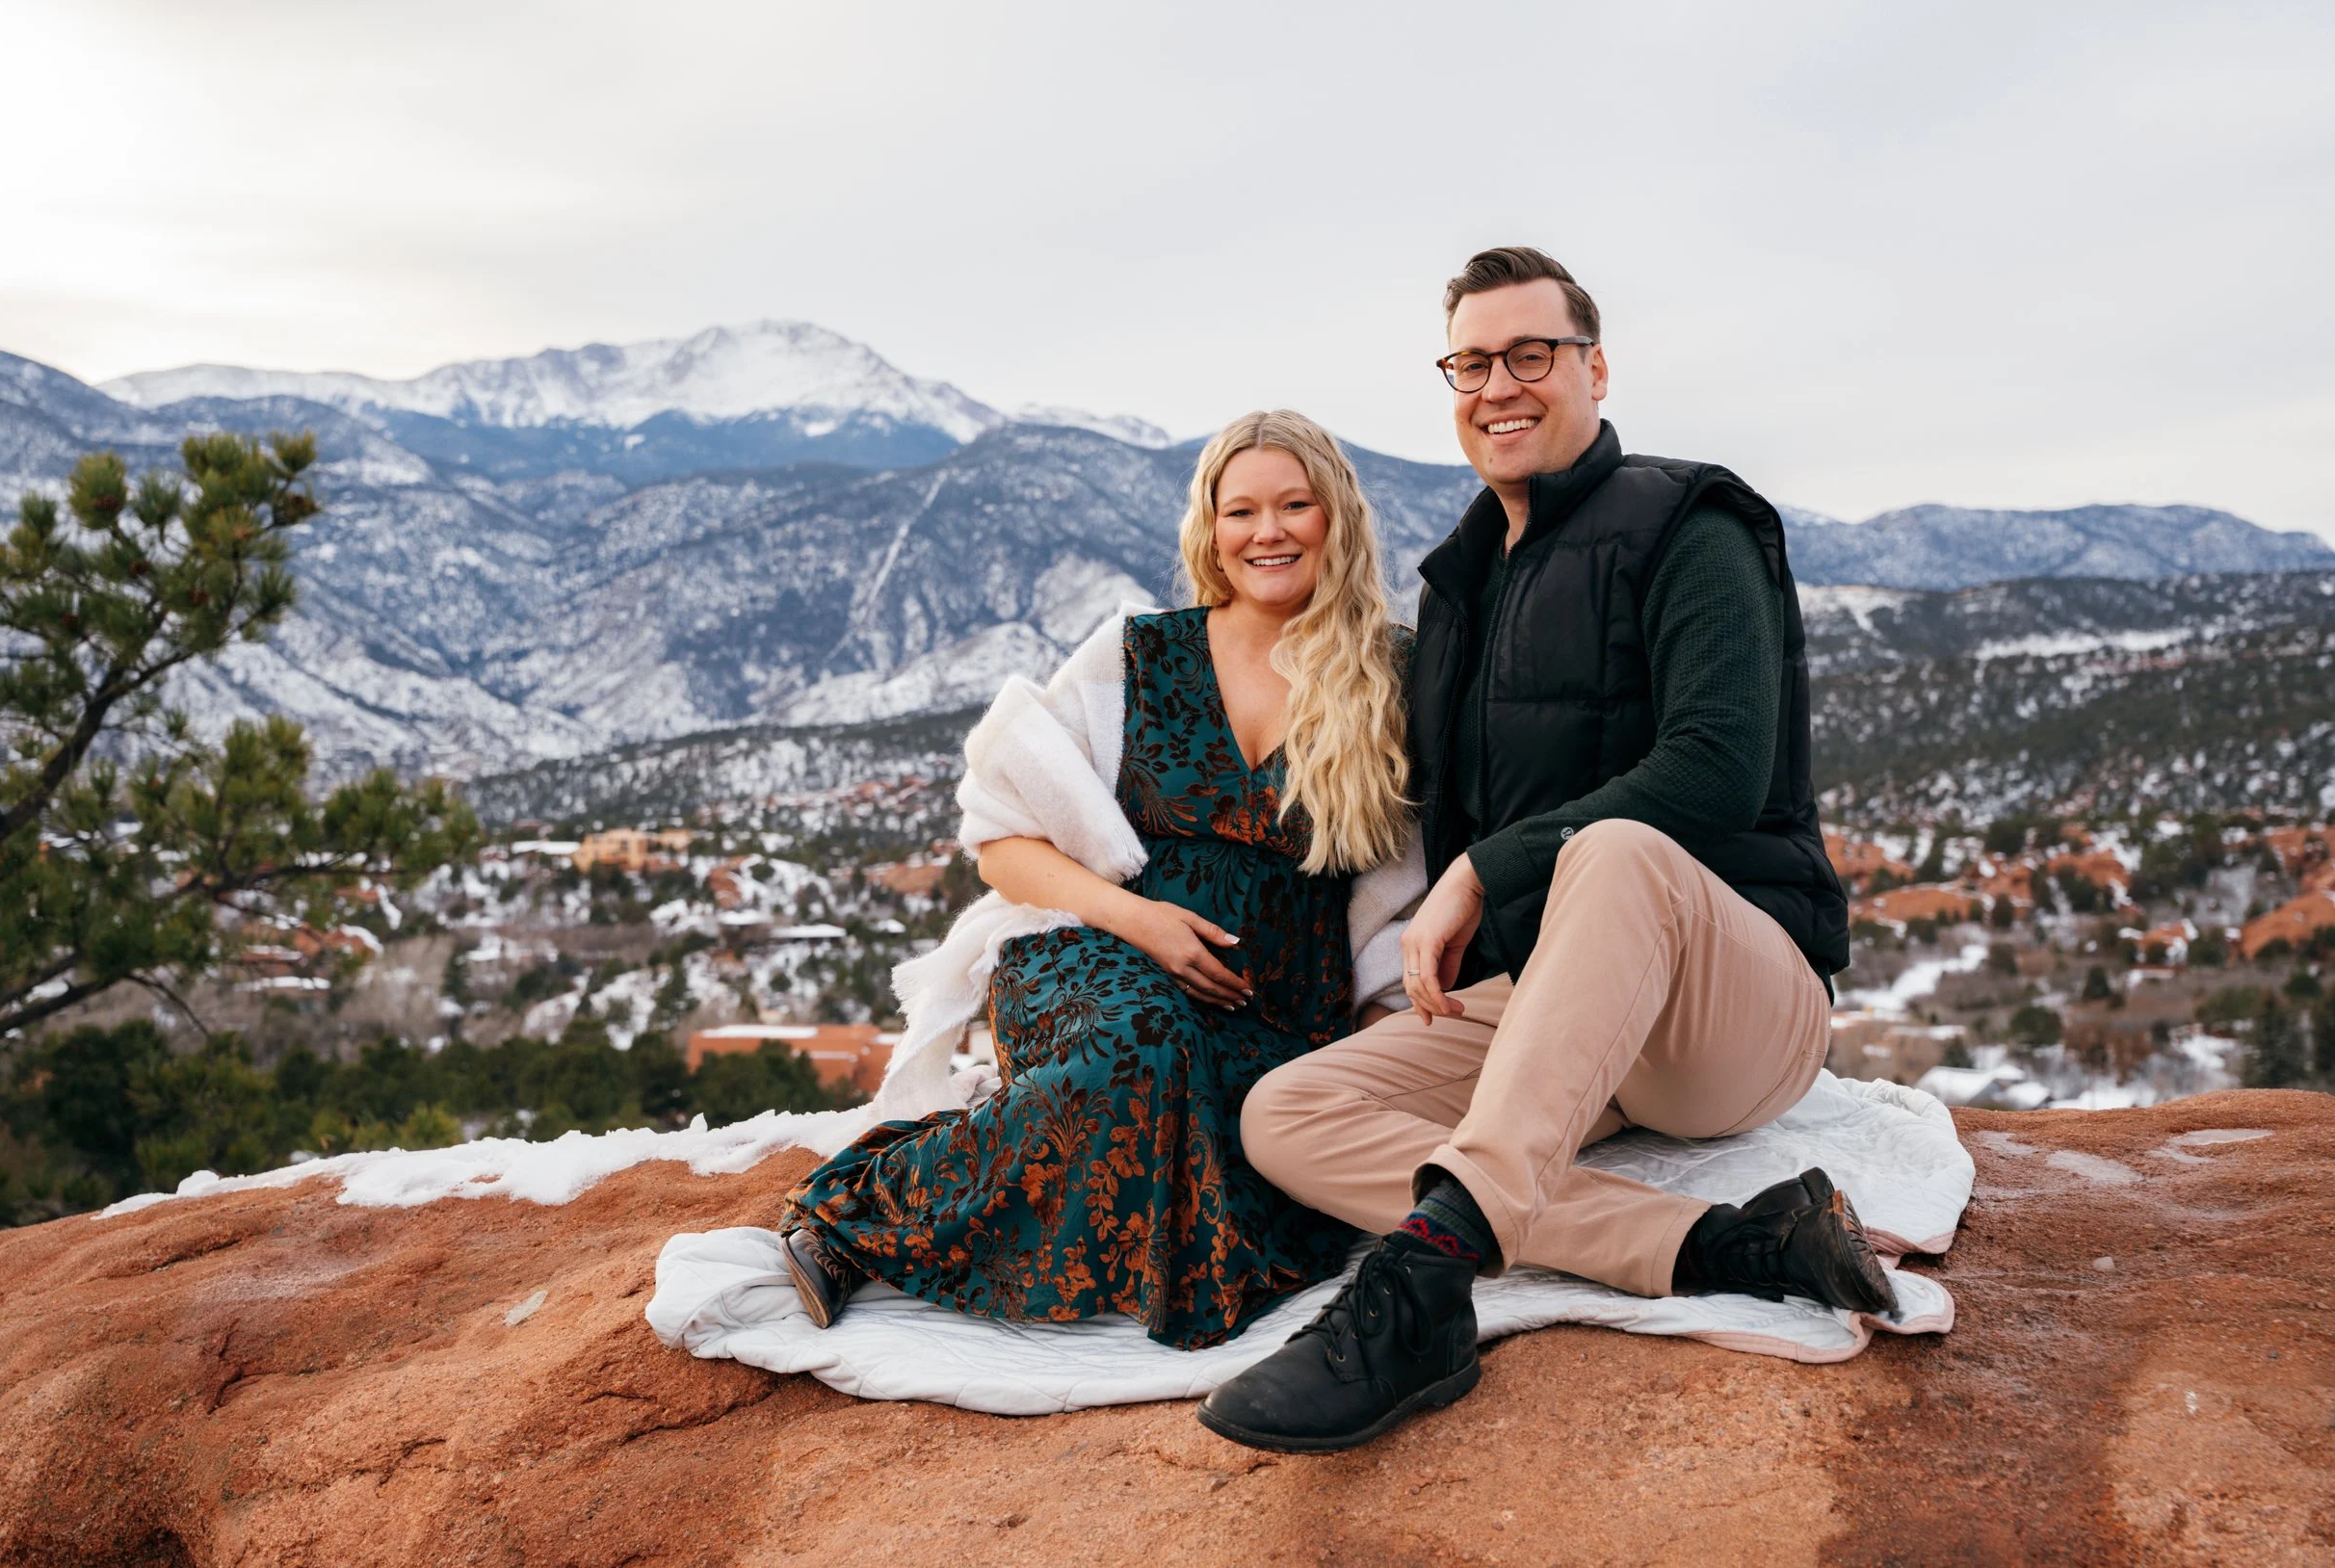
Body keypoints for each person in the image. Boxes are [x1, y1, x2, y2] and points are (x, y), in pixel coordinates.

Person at [1197, 248, 1892, 1452]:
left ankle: (1423, 1283)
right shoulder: (1459, 587)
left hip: (1726, 1005)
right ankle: (1726, 1244)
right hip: (1561, 1011)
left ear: (1594, 367)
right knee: (1286, 1112)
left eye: (1532, 354)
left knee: (1611, 848)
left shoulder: (1692, 520)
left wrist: (1484, 869)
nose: (1498, 385)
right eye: (1471, 361)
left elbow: (1720, 764)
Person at [777, 410, 1416, 1350]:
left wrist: (1380, 1025)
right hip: (1098, 956)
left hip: (1282, 1005)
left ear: (1338, 518)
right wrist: (1142, 919)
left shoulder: (1388, 673)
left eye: (1294, 504)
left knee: (1226, 1132)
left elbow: (1405, 883)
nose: (1267, 531)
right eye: (1240, 510)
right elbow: (1002, 841)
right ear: (1211, 528)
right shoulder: (1139, 655)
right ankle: (854, 1210)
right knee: (1145, 1045)